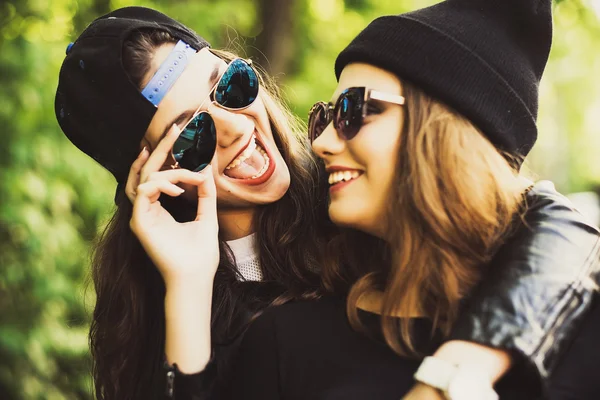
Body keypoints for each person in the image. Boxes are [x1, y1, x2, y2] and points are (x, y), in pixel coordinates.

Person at [54, 5, 600, 400]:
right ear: (153, 178)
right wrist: (188, 289)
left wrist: (459, 371)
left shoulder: (357, 200)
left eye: (232, 87)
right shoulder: (163, 311)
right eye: (189, 134)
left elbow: (551, 225)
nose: (235, 129)